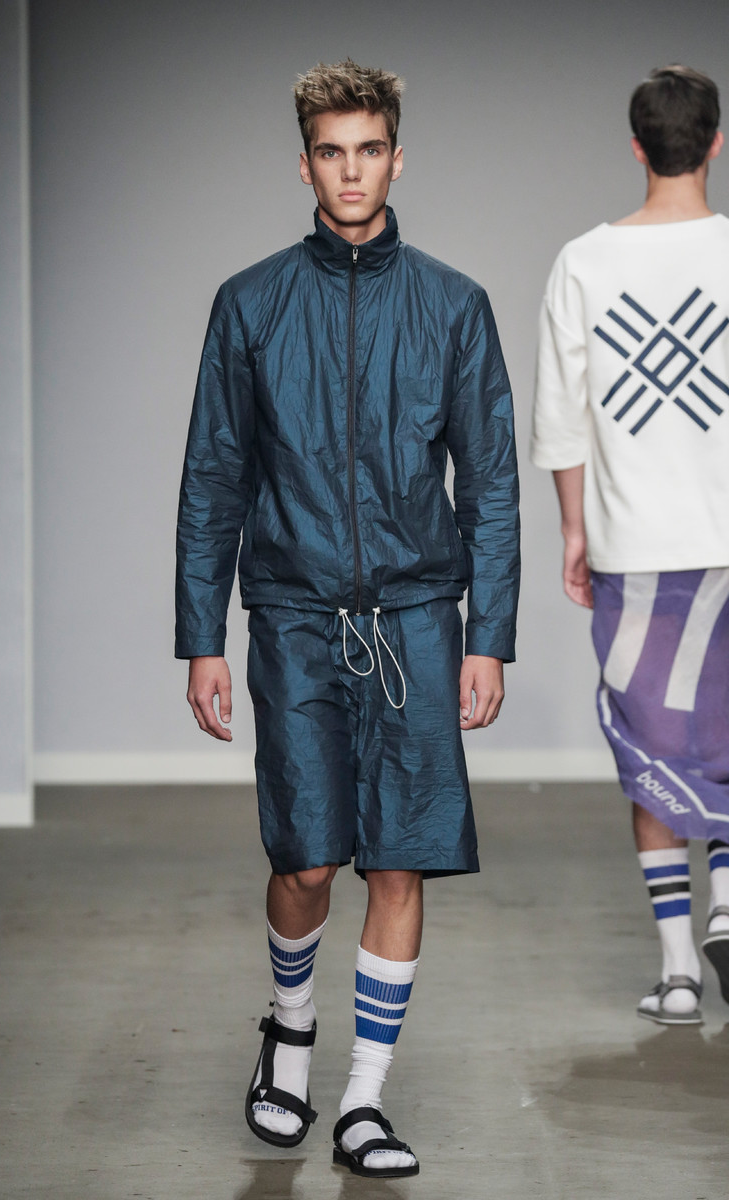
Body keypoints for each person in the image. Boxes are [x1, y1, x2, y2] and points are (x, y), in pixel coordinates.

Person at [176, 59, 519, 1176]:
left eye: (369, 150)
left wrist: (487, 635)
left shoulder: (454, 305)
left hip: (416, 615)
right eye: (332, 152)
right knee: (307, 857)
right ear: (305, 165)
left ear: (396, 158)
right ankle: (289, 1036)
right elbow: (214, 475)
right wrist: (201, 637)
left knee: (401, 861)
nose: (352, 171)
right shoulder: (251, 304)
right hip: (292, 611)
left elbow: (492, 482)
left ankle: (363, 1101)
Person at [532, 65, 729, 1027]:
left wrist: (574, 530)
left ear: (638, 147)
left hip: (635, 548)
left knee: (653, 744)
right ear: (717, 143)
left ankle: (679, 970)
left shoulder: (584, 262)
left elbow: (561, 419)